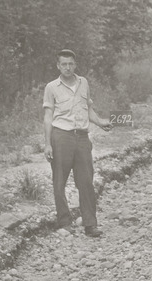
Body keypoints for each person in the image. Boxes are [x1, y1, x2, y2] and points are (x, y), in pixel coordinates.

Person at [41, 49, 112, 237]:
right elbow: (48, 117)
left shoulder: (84, 83)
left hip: (81, 137)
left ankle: (90, 224)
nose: (67, 67)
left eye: (70, 64)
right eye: (63, 64)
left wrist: (101, 122)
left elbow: (88, 109)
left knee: (86, 181)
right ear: (58, 66)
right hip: (60, 137)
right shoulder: (51, 87)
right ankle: (64, 223)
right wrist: (47, 143)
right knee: (59, 181)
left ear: (75, 64)